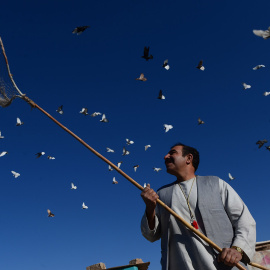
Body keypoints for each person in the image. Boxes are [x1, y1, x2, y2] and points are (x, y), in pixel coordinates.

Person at [140, 143, 256, 270]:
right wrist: (150, 208)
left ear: (189, 158)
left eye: (172, 152)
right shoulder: (162, 194)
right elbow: (151, 235)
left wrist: (237, 249)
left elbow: (244, 220)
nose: (165, 156)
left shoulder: (215, 184)